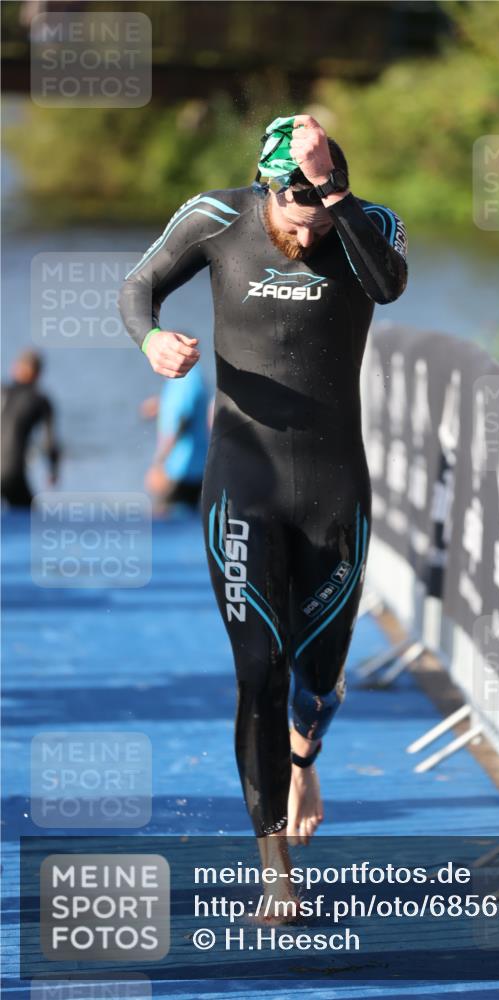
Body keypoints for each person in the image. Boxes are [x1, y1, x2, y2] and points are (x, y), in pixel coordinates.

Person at [119, 114, 407, 915]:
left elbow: (386, 284)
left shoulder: (367, 227)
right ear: (264, 191)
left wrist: (335, 200)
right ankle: (274, 871)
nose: (302, 231)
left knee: (315, 684)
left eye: (317, 213)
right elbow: (137, 286)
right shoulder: (214, 218)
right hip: (240, 483)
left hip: (333, 488)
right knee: (258, 672)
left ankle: (304, 757)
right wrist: (149, 342)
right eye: (291, 213)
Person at [140, 365, 209, 515]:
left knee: (162, 520)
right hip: (192, 466)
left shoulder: (185, 379)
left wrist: (159, 464)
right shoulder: (190, 377)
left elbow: (181, 423)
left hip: (181, 469)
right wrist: (161, 404)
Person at [1, 349, 60, 508]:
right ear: (38, 374)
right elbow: (49, 443)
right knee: (31, 521)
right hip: (12, 473)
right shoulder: (40, 400)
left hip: (10, 472)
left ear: (15, 368)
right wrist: (53, 470)